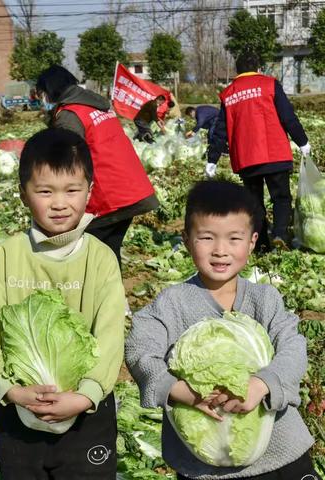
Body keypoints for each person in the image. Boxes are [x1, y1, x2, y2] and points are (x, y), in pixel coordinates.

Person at [125, 180, 319, 480]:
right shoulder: (172, 303)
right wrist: (178, 391)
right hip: (202, 460)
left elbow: (293, 347)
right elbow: (141, 349)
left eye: (233, 239)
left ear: (252, 242)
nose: (220, 251)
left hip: (280, 453)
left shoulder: (265, 299)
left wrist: (261, 385)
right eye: (206, 238)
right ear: (186, 239)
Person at [0, 128, 125, 479]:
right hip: (18, 409)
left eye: (72, 190)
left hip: (87, 413)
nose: (60, 203)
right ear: (24, 193)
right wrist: (9, 388)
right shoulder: (6, 257)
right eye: (45, 191)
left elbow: (110, 331)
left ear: (89, 191)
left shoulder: (100, 259)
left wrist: (87, 394)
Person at [35, 65, 158, 268]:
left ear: (50, 89)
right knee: (108, 252)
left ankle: (100, 296)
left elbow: (68, 160)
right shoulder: (95, 105)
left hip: (109, 197)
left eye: (42, 93)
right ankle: (112, 296)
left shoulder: (70, 115)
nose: (43, 99)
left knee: (88, 253)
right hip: (131, 189)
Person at [206, 53, 311, 251]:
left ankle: (262, 244)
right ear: (258, 67)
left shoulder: (228, 94)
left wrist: (212, 158)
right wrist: (302, 142)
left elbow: (219, 130)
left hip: (246, 158)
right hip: (275, 154)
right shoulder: (270, 85)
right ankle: (280, 234)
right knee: (281, 198)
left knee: (255, 203)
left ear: (238, 70)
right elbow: (288, 116)